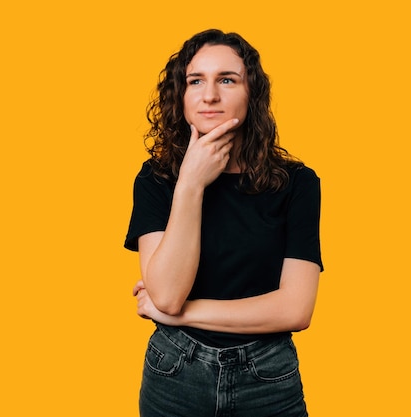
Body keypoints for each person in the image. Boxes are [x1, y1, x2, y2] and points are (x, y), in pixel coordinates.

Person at [124, 29, 323, 417]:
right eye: (195, 80)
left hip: (268, 377)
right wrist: (191, 183)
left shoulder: (297, 183)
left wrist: (182, 313)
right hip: (174, 373)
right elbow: (165, 295)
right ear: (181, 96)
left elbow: (296, 310)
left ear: (252, 93)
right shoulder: (155, 179)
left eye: (227, 80)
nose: (209, 95)